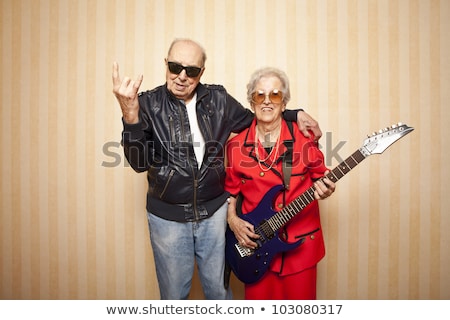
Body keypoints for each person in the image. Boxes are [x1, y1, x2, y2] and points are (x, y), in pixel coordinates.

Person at [112, 38, 323, 300]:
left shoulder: (219, 100)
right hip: (168, 218)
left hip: (213, 214)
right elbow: (138, 163)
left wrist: (294, 113)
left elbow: (257, 115)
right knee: (174, 296)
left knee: (219, 293)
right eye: (175, 67)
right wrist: (130, 117)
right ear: (166, 64)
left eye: (191, 70)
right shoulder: (146, 104)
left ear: (201, 73)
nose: (181, 76)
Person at [225, 67, 336, 300]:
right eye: (259, 95)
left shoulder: (304, 140)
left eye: (274, 95)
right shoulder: (236, 146)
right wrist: (233, 219)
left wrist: (326, 188)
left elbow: (320, 176)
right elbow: (230, 192)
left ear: (284, 104)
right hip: (255, 247)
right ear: (252, 102)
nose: (267, 102)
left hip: (301, 248)